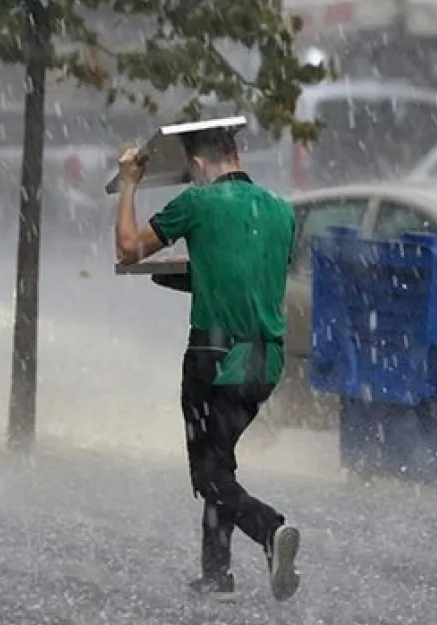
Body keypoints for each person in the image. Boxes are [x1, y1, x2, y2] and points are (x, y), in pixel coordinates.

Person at [114, 127, 301, 602]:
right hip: (265, 362)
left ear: (196, 165)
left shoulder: (197, 203)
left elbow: (128, 247)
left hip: (214, 358)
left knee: (208, 474)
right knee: (220, 461)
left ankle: (268, 529)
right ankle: (216, 573)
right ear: (237, 154)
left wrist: (130, 182)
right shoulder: (281, 210)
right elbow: (251, 276)